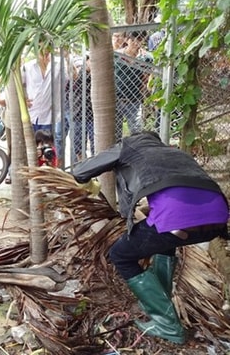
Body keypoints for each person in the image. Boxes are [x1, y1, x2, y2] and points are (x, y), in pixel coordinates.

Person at [72, 131, 229, 345]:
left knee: (120, 254)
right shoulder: (173, 153)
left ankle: (167, 324)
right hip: (218, 217)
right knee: (165, 242)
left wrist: (91, 182)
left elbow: (81, 172)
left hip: (177, 218)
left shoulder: (129, 147)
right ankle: (162, 303)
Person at [114, 31, 152, 140]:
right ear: (126, 40)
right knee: (115, 134)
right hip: (117, 99)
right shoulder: (116, 56)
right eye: (132, 39)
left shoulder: (146, 58)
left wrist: (144, 91)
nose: (136, 43)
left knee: (137, 132)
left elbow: (146, 78)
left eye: (139, 39)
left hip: (134, 101)